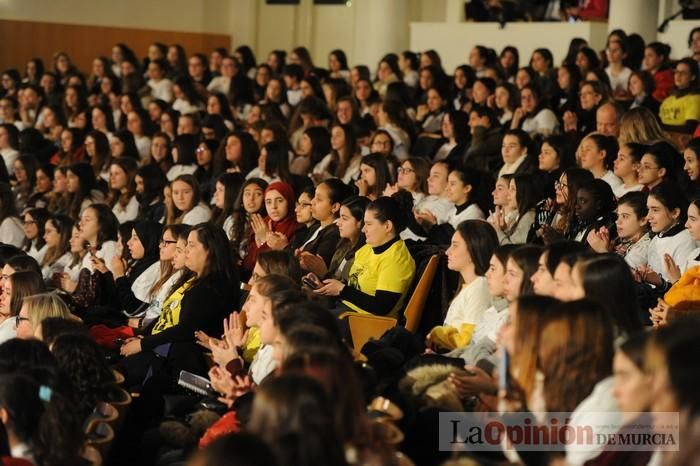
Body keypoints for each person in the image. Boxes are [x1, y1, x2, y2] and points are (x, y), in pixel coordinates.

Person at [119, 223, 239, 385]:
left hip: (178, 361)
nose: (185, 251)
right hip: (161, 347)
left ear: (209, 250)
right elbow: (166, 314)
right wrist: (144, 336)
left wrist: (143, 344)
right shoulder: (195, 280)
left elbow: (185, 330)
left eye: (191, 245)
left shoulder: (213, 287)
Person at [314, 196, 416, 317]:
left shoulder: (397, 259)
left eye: (368, 224)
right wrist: (325, 285)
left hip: (366, 322)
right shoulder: (367, 248)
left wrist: (342, 290)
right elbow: (350, 285)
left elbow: (381, 307)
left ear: (387, 226)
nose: (363, 229)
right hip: (344, 308)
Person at [427, 220, 498, 351]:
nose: (447, 251)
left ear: (474, 249)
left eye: (455, 245)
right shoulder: (470, 286)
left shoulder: (479, 288)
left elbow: (469, 342)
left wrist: (436, 335)